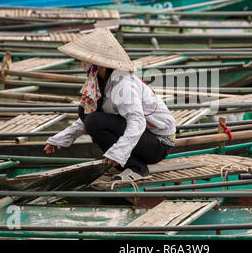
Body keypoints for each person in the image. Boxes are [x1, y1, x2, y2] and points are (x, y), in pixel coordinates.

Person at [44, 28, 176, 181]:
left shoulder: (123, 84)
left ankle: (137, 169)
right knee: (86, 112)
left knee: (95, 121)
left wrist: (118, 153)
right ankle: (127, 163)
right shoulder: (98, 81)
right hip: (143, 137)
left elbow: (137, 121)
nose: (82, 62)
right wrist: (61, 138)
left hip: (158, 143)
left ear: (97, 62)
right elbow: (88, 115)